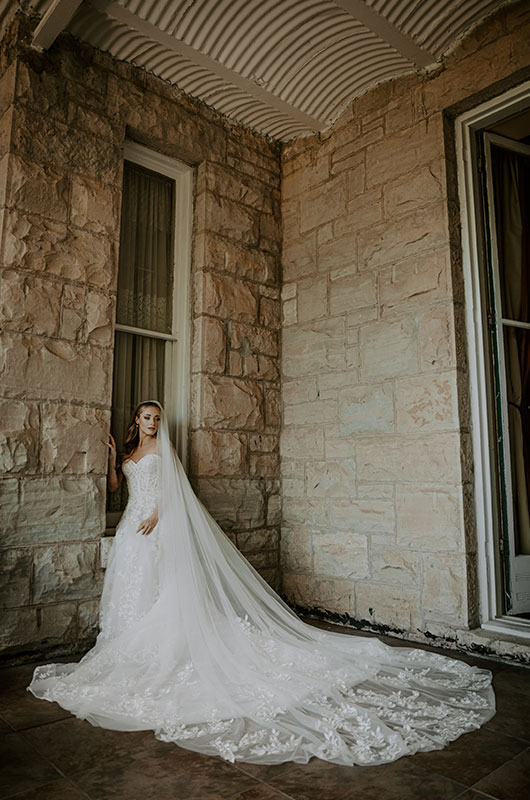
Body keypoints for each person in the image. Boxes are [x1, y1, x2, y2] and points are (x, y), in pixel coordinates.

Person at [28, 400, 495, 766]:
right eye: (146, 418)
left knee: (163, 592)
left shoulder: (164, 449)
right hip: (131, 530)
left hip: (157, 525)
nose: (151, 424)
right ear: (136, 419)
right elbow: (115, 489)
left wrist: (157, 511)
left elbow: (177, 490)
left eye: (156, 418)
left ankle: (165, 648)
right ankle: (129, 650)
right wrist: (113, 460)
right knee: (132, 591)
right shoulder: (130, 452)